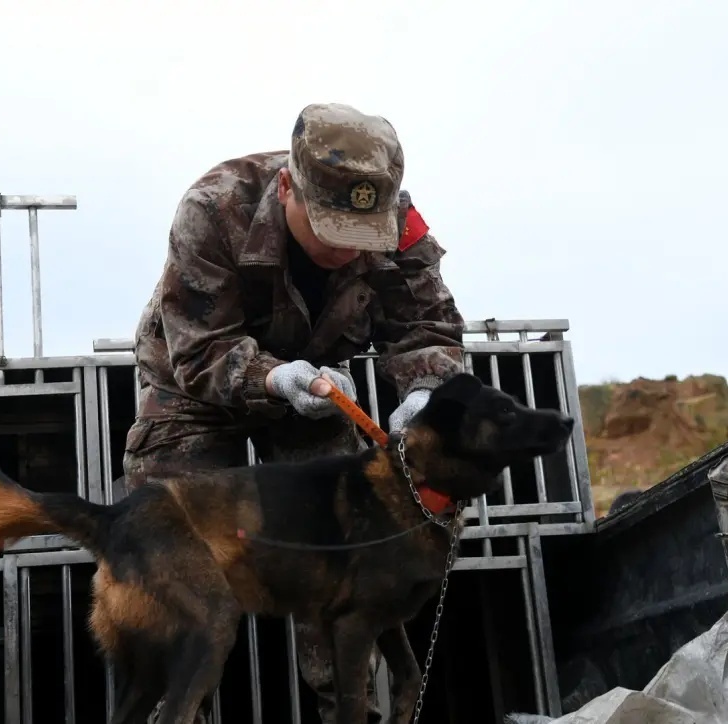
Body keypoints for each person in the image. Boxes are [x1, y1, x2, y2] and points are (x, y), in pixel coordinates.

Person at [122, 101, 466, 724]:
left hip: (318, 391)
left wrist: (424, 397)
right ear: (288, 188)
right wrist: (273, 378)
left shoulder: (400, 222)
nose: (348, 249)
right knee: (178, 552)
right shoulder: (214, 207)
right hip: (195, 389)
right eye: (331, 229)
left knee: (343, 546)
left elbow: (428, 325)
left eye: (363, 235)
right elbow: (199, 349)